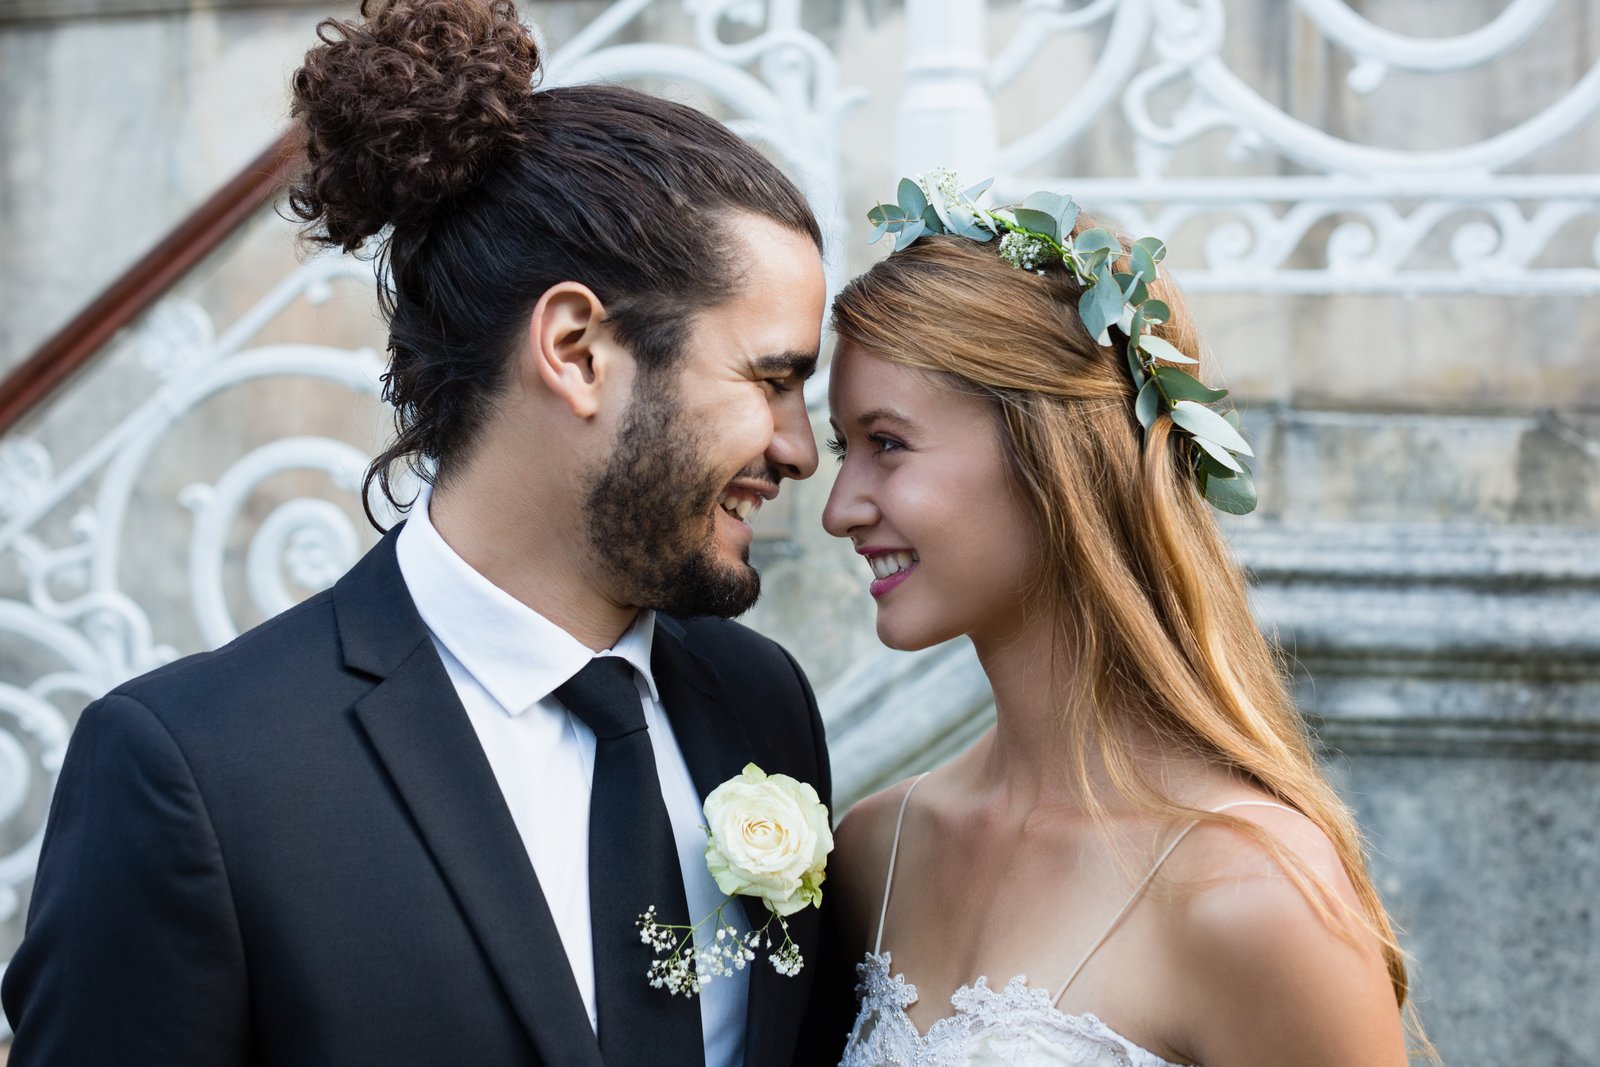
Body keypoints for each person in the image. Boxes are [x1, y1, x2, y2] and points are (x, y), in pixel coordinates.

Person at [1, 2, 836, 1065]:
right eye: (771, 379)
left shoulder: (761, 703)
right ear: (577, 348)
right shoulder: (200, 775)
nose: (800, 448)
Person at [819, 175, 1422, 1065]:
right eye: (844, 448)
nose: (839, 508)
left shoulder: (1252, 893)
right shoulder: (880, 848)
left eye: (888, 443)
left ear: (1051, 453)